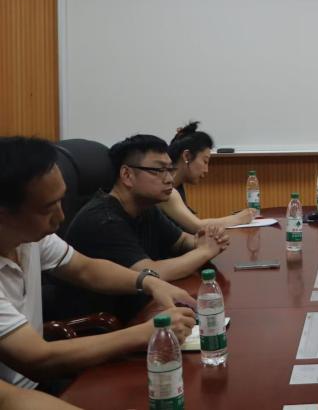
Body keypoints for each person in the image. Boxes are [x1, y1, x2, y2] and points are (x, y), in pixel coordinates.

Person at [0, 137, 195, 391]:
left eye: (61, 201)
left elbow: (86, 269)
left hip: (45, 381)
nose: (61, 216)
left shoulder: (30, 238)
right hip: (23, 391)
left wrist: (149, 282)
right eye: (48, 208)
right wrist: (146, 333)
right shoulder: (98, 219)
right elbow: (38, 358)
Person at [63, 134, 229, 321]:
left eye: (170, 170)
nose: (169, 179)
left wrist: (205, 240)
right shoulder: (104, 220)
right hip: (106, 325)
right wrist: (205, 251)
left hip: (141, 308)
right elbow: (149, 273)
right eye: (159, 170)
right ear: (127, 175)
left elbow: (181, 241)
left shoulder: (145, 207)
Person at [164, 121, 255, 232]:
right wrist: (238, 219)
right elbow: (197, 226)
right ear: (187, 156)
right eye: (205, 161)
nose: (206, 170)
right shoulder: (166, 190)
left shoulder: (177, 186)